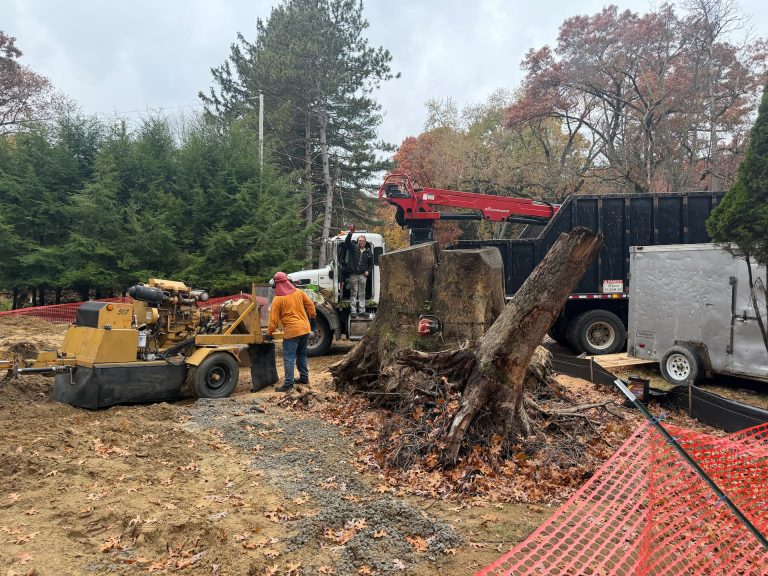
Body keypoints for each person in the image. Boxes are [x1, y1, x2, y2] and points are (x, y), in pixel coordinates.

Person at [266, 272, 317, 392]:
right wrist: (313, 318)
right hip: (305, 329)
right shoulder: (299, 292)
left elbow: (273, 320)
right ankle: (304, 378)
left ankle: (288, 383)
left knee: (289, 357)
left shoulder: (278, 299)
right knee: (302, 354)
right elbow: (310, 305)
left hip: (292, 332)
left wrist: (269, 333)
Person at [344, 225, 373, 317]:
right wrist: (351, 233)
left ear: (365, 242)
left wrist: (368, 272)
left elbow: (371, 265)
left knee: (362, 294)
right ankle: (353, 312)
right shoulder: (353, 248)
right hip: (353, 275)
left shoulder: (368, 252)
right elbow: (347, 242)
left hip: (362, 276)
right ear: (357, 241)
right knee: (353, 293)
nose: (361, 242)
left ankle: (361, 311)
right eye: (360, 241)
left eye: (363, 241)